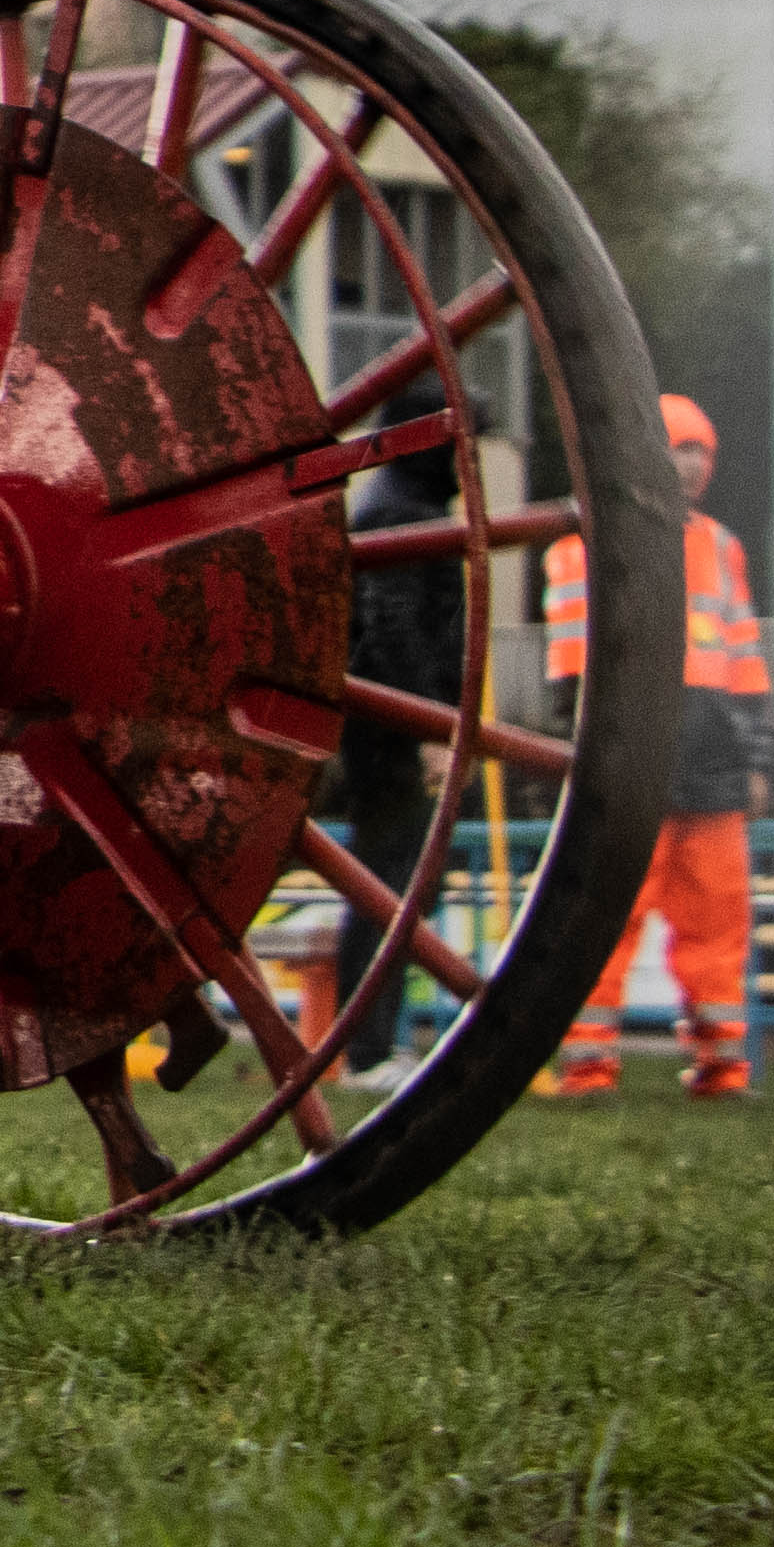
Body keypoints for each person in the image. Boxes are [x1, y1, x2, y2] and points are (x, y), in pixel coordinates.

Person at [545, 391, 771, 1098]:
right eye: (681, 447)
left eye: (702, 450)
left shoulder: (721, 546)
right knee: (611, 913)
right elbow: (571, 667)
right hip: (631, 758)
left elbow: (745, 663)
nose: (694, 463)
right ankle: (588, 1065)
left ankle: (721, 1066)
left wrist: (756, 759)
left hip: (709, 763)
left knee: (717, 917)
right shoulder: (582, 547)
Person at [327, 382, 463, 1087]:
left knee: (396, 883)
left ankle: (376, 1044)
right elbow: (394, 631)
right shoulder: (399, 516)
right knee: (387, 884)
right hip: (393, 732)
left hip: (391, 727)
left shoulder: (390, 508)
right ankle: (368, 1051)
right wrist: (430, 729)